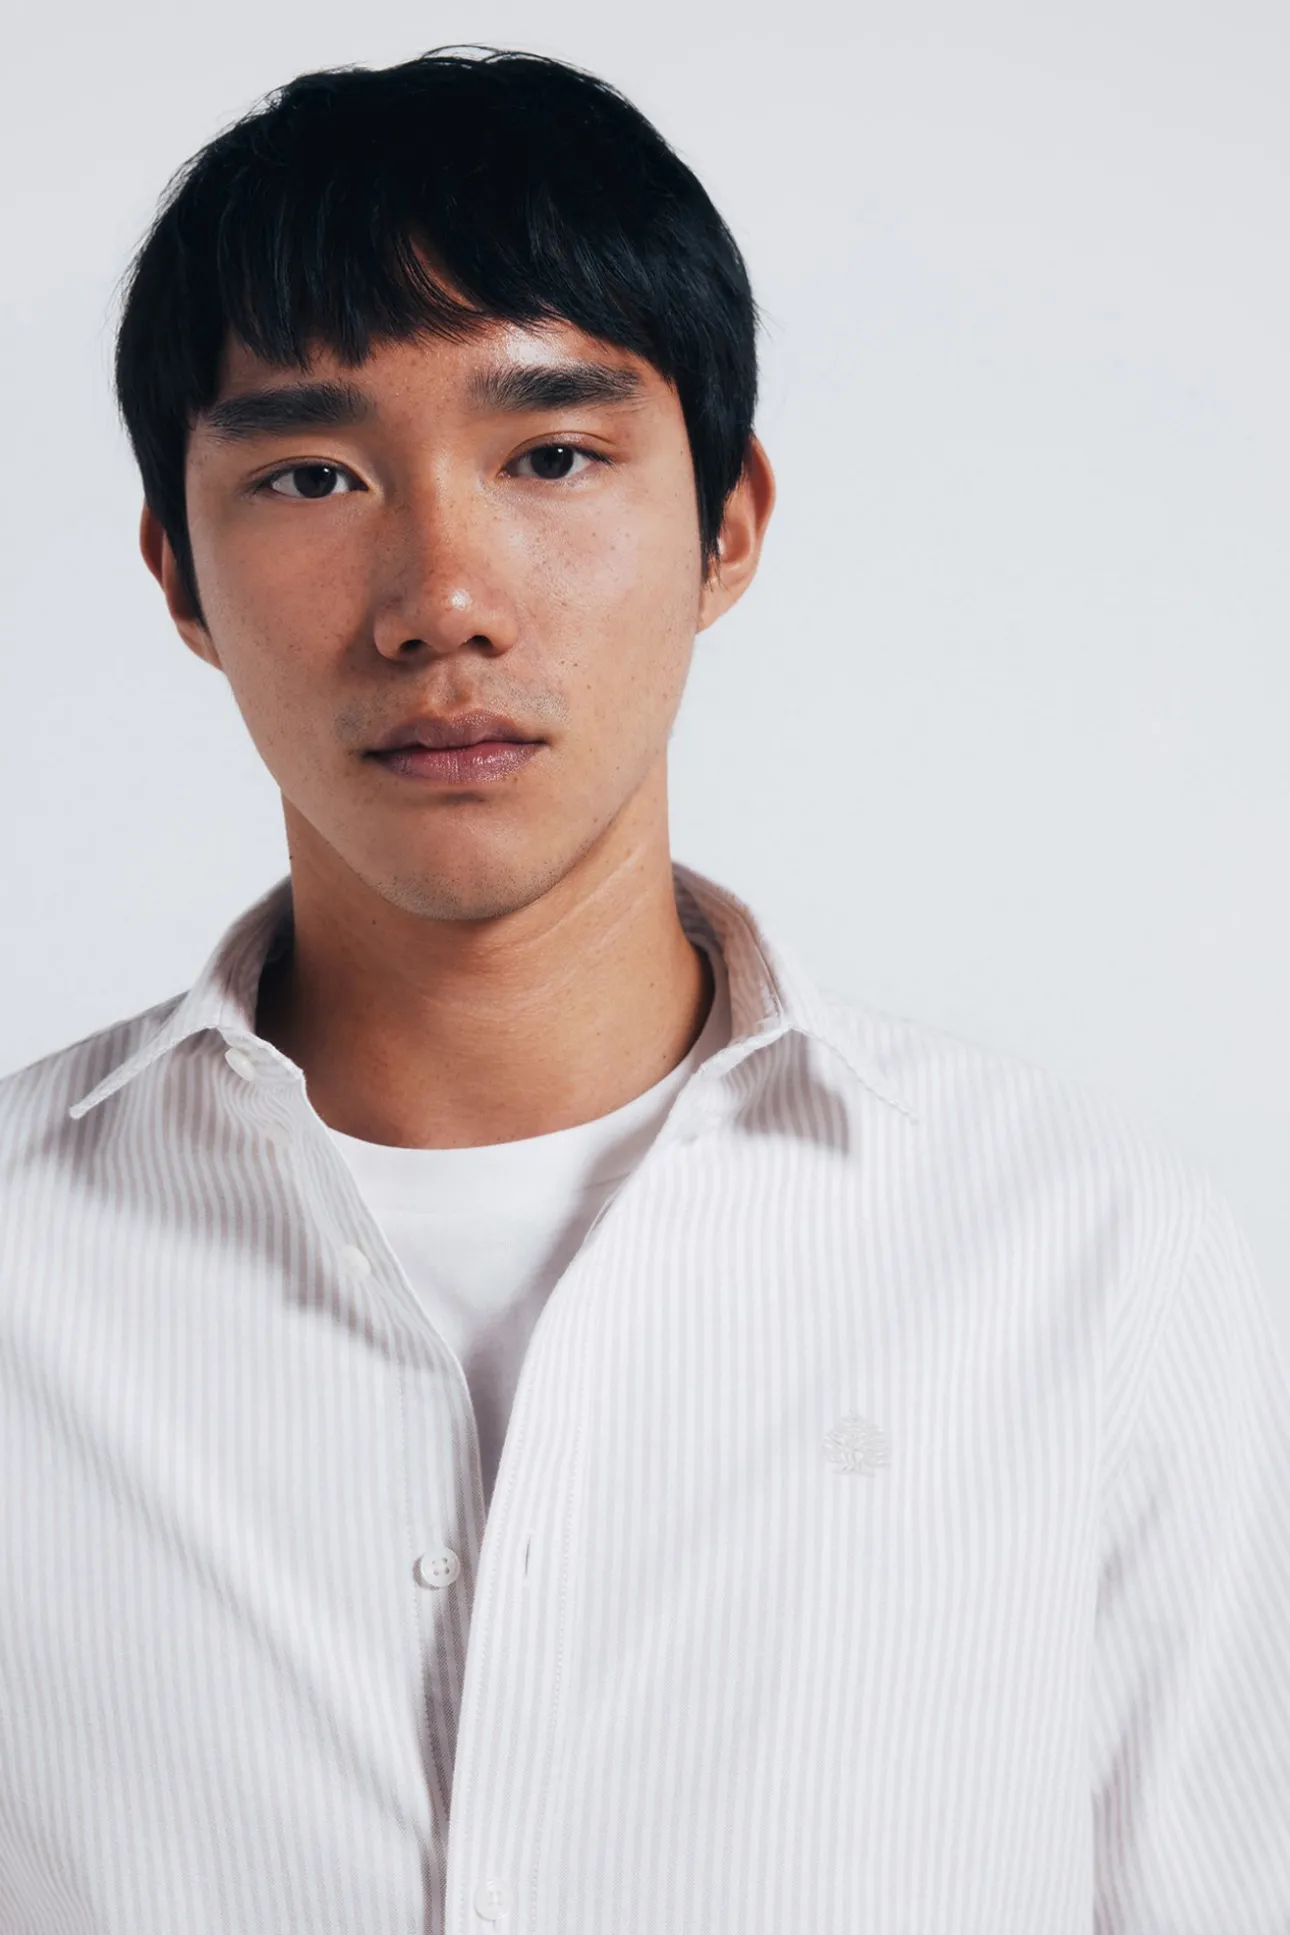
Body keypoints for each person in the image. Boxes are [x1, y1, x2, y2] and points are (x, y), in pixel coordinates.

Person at [0, 44, 1286, 1935]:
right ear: (177, 574)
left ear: (727, 524)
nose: (443, 599)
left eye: (551, 455)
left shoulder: (1084, 1264)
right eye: (310, 473)